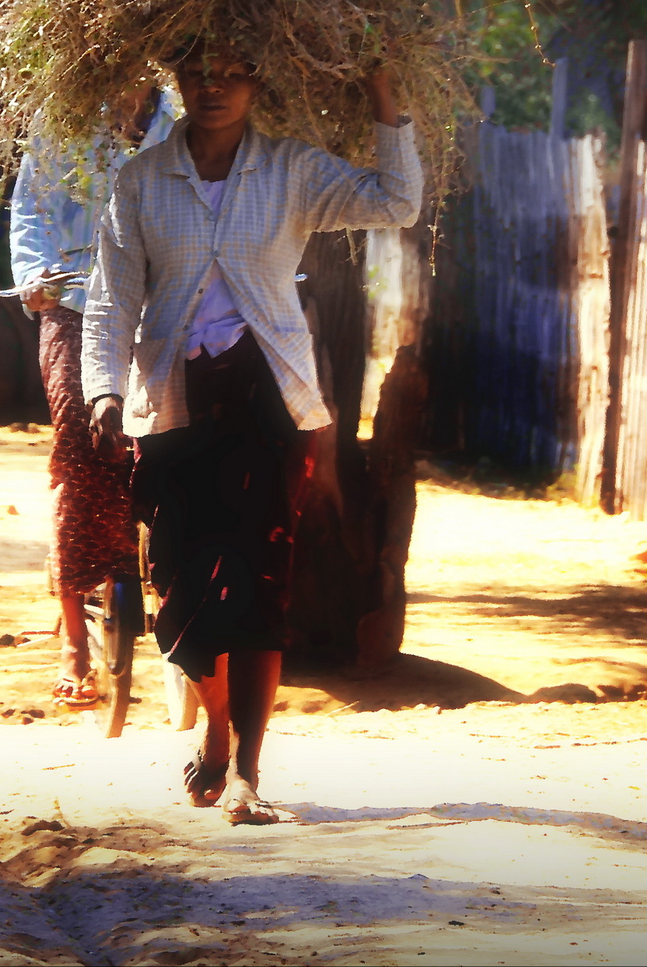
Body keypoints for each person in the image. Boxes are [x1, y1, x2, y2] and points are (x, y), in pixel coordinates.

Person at [82, 44, 419, 824]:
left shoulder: (293, 172)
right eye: (197, 70)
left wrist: (380, 89)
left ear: (257, 78)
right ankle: (217, 725)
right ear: (175, 79)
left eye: (232, 69)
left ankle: (246, 771)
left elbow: (397, 202)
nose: (212, 85)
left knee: (260, 580)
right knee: (179, 585)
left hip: (269, 400)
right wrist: (103, 390)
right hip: (172, 401)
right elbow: (110, 300)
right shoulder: (140, 181)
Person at [10, 83, 177, 709]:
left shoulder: (187, 120)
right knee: (81, 450)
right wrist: (35, 279)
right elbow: (29, 206)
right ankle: (74, 639)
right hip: (75, 304)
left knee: (169, 444)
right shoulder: (64, 117)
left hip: (162, 307)